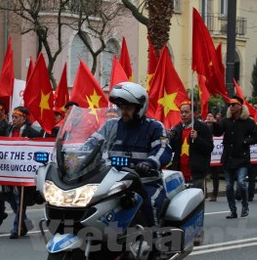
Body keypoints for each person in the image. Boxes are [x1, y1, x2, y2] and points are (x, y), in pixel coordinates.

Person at [89, 82, 172, 227]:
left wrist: (149, 163)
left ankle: (154, 243)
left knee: (148, 203)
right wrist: (74, 156)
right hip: (113, 182)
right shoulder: (111, 126)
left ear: (140, 108)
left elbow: (163, 149)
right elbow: (92, 143)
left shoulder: (154, 127)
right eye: (121, 108)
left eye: (128, 108)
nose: (123, 111)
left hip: (145, 182)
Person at [208, 97, 257, 219]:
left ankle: (245, 205)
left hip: (242, 158)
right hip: (228, 158)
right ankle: (233, 210)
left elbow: (256, 137)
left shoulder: (248, 121)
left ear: (240, 106)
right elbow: (217, 132)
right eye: (230, 104)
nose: (231, 106)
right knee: (228, 185)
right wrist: (215, 123)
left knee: (241, 182)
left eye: (234, 104)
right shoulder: (226, 121)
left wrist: (246, 141)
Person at [3, 106, 43, 239]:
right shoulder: (8, 130)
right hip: (9, 171)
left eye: (16, 117)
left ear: (23, 118)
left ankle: (17, 227)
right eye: (12, 117)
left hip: (24, 173)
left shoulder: (32, 132)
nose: (13, 119)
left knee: (20, 200)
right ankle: (24, 221)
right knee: (9, 197)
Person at [168, 101, 214, 192]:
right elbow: (172, 149)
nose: (183, 115)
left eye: (186, 112)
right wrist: (170, 138)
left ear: (194, 113)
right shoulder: (177, 128)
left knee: (195, 202)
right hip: (179, 173)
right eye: (181, 112)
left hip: (196, 173)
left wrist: (197, 139)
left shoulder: (202, 127)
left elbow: (209, 148)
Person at [204, 111, 221, 201]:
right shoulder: (203, 126)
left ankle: (214, 194)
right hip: (206, 154)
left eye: (211, 116)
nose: (209, 117)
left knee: (215, 175)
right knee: (204, 175)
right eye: (208, 115)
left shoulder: (216, 126)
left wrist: (215, 123)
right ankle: (205, 192)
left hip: (215, 156)